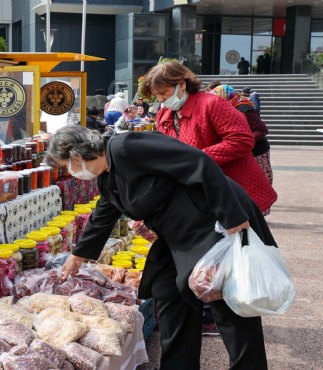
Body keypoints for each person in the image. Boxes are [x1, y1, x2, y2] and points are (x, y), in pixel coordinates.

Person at [48, 125, 274, 370]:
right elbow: (105, 211)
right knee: (168, 290)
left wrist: (231, 215)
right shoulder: (107, 175)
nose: (71, 172)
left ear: (77, 156)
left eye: (66, 165)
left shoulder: (125, 146)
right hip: (177, 233)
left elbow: (199, 162)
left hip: (212, 221)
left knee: (224, 298)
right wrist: (78, 255)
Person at [140, 62, 277, 214]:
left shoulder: (212, 104)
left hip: (232, 188)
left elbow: (241, 140)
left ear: (181, 84)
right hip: (199, 191)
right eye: (157, 96)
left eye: (164, 93)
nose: (161, 100)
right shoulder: (164, 114)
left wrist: (197, 158)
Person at [210, 85, 273, 191]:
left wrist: (243, 141)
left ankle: (262, 205)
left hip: (257, 151)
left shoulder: (244, 108)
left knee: (261, 181)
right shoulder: (231, 108)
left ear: (225, 96)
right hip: (245, 150)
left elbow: (261, 129)